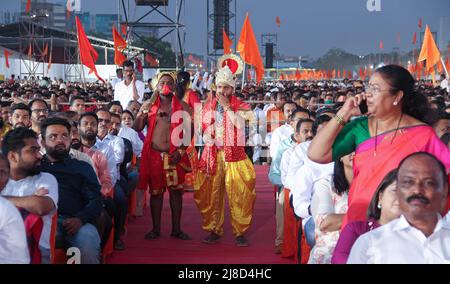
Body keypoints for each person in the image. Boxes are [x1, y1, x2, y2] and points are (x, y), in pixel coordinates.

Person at [308, 65, 450, 228]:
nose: (367, 94)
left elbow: (444, 181)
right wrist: (344, 113)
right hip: (358, 220)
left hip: (401, 226)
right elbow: (316, 154)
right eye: (368, 87)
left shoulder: (423, 135)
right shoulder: (359, 128)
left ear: (397, 96)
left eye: (375, 88)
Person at [194, 58, 256, 247]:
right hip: (213, 154)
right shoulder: (208, 106)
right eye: (219, 87)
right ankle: (214, 229)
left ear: (232, 89)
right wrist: (205, 135)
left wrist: (228, 107)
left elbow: (241, 127)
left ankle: (240, 232)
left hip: (235, 155)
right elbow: (202, 129)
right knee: (212, 194)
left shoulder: (242, 106)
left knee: (240, 193)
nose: (222, 91)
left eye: (226, 88)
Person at [348, 152, 449, 264]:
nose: (417, 190)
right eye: (408, 182)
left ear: (444, 190)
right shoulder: (370, 243)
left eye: (428, 183)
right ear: (398, 191)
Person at [133, 71, 192, 241]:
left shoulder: (182, 106)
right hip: (154, 156)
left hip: (175, 156)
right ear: (156, 86)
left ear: (174, 86)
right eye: (162, 82)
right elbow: (137, 127)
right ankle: (156, 229)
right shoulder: (149, 106)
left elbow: (189, 132)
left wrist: (180, 152)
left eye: (169, 82)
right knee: (156, 193)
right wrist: (142, 112)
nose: (166, 85)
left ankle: (176, 229)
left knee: (176, 193)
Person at [40, 117, 102, 264]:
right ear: (43, 142)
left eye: (64, 136)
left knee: (88, 242)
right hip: (43, 223)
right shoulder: (36, 168)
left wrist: (80, 219)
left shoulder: (82, 166)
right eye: (53, 137)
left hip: (76, 221)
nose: (60, 140)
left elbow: (95, 200)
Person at [1, 128, 58, 264]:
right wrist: (28, 200)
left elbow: (41, 206)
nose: (39, 155)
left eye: (38, 149)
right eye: (32, 150)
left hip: (38, 253)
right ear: (13, 156)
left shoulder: (46, 178)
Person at [331, 169, 400, 264]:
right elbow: (338, 259)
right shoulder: (356, 230)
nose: (401, 197)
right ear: (380, 197)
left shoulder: (417, 236)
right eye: (395, 190)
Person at [269, 117, 313, 254]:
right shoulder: (288, 151)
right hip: (292, 189)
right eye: (305, 131)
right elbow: (283, 177)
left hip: (314, 191)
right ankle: (281, 240)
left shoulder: (321, 149)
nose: (310, 135)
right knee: (282, 199)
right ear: (297, 134)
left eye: (313, 131)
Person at [308, 153, 353, 264]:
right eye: (350, 148)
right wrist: (363, 216)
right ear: (340, 156)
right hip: (329, 254)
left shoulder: (371, 183)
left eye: (358, 147)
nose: (354, 152)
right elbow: (324, 222)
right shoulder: (326, 184)